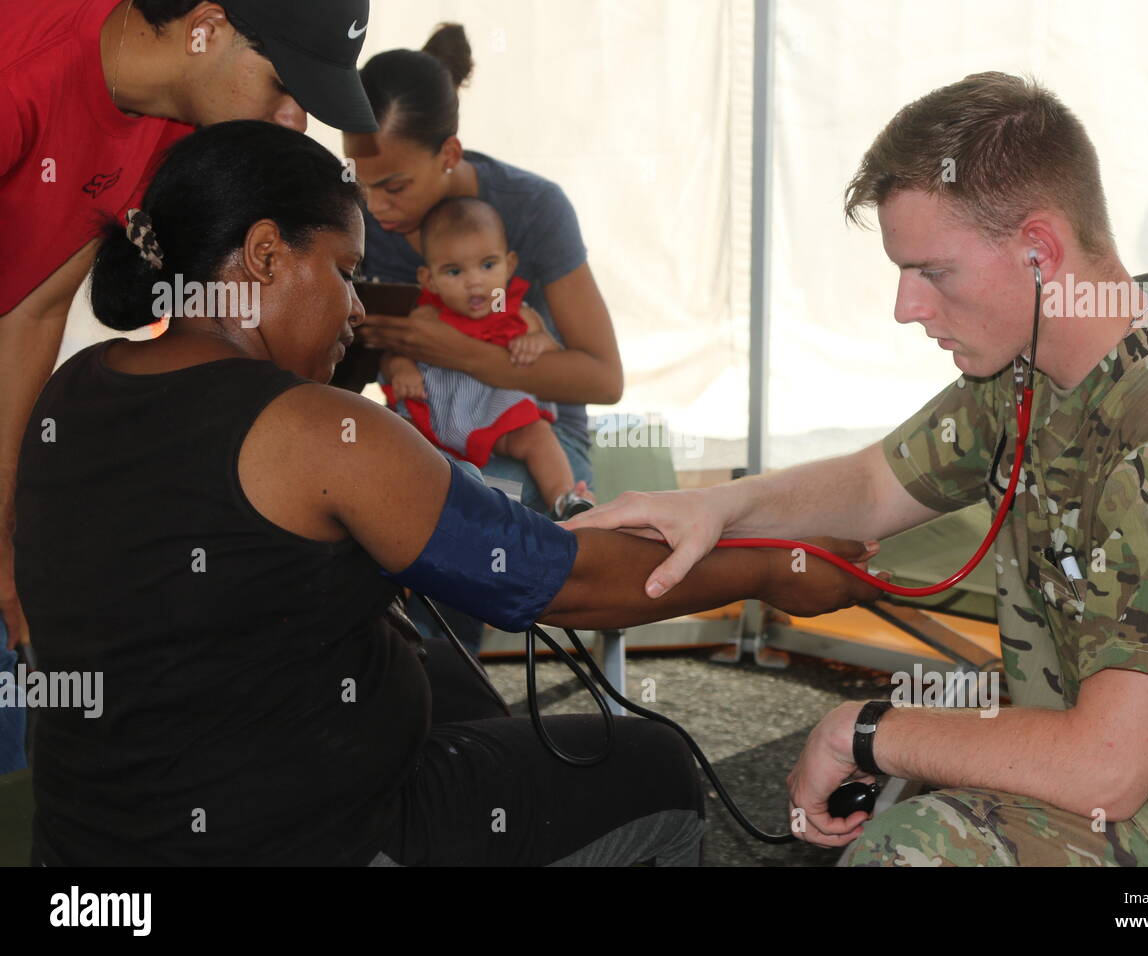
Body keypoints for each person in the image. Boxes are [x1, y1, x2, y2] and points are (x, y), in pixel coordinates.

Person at [12, 120, 886, 866]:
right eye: (347, 270)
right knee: (653, 763)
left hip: (96, 855)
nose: (357, 310)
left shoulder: (72, 388)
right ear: (267, 254)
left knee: (444, 677)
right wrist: (776, 569)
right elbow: (565, 582)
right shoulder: (313, 427)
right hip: (301, 843)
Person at [567, 72, 1148, 866]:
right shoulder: (1035, 368)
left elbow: (1107, 769)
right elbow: (876, 486)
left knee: (921, 849)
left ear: (1040, 250)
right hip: (1122, 778)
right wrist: (721, 509)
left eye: (932, 272)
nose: (905, 307)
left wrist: (869, 730)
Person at [0, 0, 380, 670]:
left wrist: (5, 526)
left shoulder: (179, 123)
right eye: (284, 87)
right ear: (205, 27)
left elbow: (31, 310)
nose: (296, 123)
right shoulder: (20, 76)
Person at [344, 24, 620, 515]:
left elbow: (604, 380)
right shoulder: (357, 220)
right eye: (361, 185)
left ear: (449, 154)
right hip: (427, 430)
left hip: (537, 435)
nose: (374, 206)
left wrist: (459, 353)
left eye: (395, 186)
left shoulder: (533, 208)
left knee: (470, 504)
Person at [378, 197, 594, 519]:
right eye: (454, 271)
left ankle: (565, 499)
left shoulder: (519, 315)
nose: (474, 281)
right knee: (397, 434)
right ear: (429, 279)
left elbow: (551, 351)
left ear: (510, 264)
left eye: (488, 265)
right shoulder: (425, 316)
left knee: (536, 435)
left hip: (496, 413)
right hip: (435, 412)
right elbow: (391, 354)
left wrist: (536, 343)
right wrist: (401, 367)